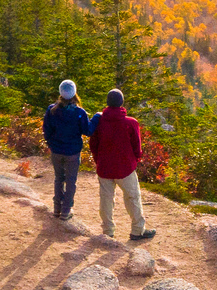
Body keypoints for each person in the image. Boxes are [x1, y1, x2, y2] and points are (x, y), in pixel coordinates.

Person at [90, 88, 152, 242]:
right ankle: (137, 230)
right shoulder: (131, 123)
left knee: (106, 199)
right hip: (125, 168)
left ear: (107, 103)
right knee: (132, 197)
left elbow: (93, 144)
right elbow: (137, 148)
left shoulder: (99, 122)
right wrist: (134, 160)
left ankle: (108, 232)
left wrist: (99, 160)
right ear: (121, 103)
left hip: (104, 167)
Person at [40, 80, 93, 224]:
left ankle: (57, 208)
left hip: (56, 150)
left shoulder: (52, 110)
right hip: (73, 152)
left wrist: (51, 143)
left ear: (60, 93)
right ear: (74, 93)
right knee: (71, 181)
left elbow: (46, 130)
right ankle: (66, 211)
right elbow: (88, 131)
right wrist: (96, 118)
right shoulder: (79, 112)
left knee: (59, 178)